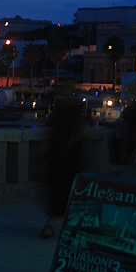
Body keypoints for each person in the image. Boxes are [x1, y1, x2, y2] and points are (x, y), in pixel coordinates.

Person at [40, 92, 86, 238]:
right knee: (60, 194)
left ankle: (53, 225)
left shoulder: (72, 113)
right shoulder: (70, 113)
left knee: (64, 194)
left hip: (68, 159)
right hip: (61, 158)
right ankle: (55, 225)